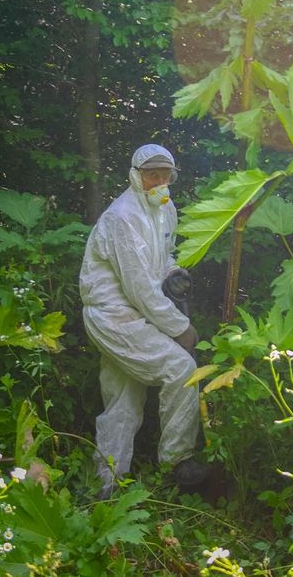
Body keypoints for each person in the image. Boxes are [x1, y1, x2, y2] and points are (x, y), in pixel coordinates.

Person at [80, 144, 210, 497]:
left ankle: (104, 486)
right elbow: (138, 288)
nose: (159, 181)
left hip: (137, 314)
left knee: (123, 400)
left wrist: (173, 273)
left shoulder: (165, 210)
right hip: (115, 316)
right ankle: (176, 464)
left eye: (165, 174)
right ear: (136, 176)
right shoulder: (122, 216)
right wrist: (180, 328)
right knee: (182, 369)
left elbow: (162, 257)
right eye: (152, 174)